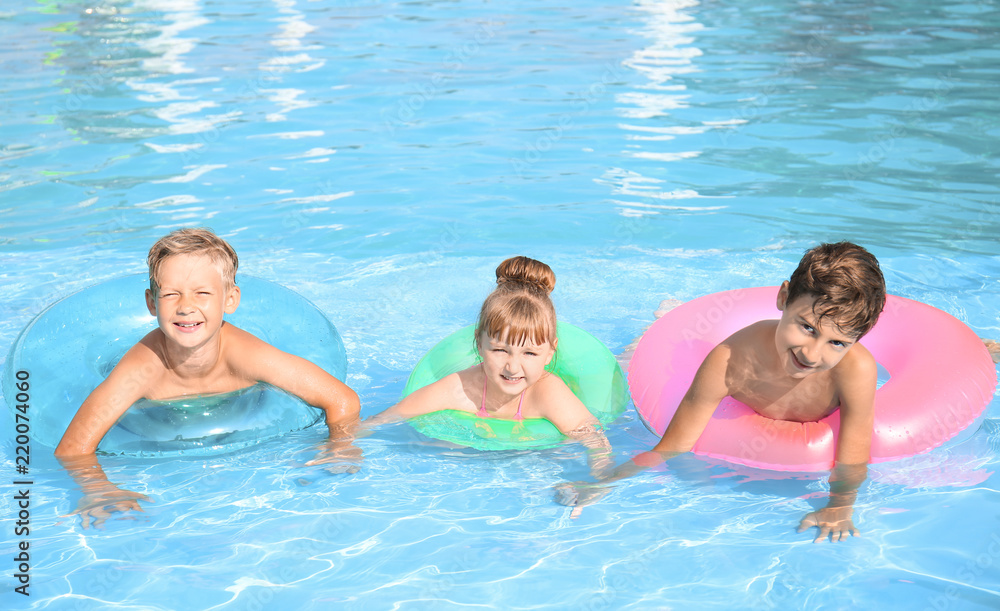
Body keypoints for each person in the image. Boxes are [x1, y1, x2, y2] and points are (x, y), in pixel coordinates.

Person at [557, 242, 886, 543]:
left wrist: (840, 506)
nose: (812, 354)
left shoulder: (855, 371)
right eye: (807, 327)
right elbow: (673, 446)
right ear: (783, 298)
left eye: (837, 342)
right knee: (636, 355)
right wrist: (607, 481)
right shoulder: (730, 360)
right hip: (705, 362)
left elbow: (853, 458)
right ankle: (666, 319)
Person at [55, 228, 361, 526]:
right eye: (171, 294)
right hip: (157, 423)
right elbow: (73, 448)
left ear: (230, 299)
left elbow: (342, 400)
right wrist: (97, 489)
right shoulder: (142, 370)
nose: (186, 307)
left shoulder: (246, 356)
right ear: (151, 302)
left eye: (202, 293)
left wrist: (340, 445)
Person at [364, 256, 612, 476]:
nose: (513, 367)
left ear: (549, 353)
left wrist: (596, 482)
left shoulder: (549, 394)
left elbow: (597, 442)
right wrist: (341, 446)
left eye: (529, 353)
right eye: (500, 350)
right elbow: (386, 418)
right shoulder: (460, 387)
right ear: (479, 344)